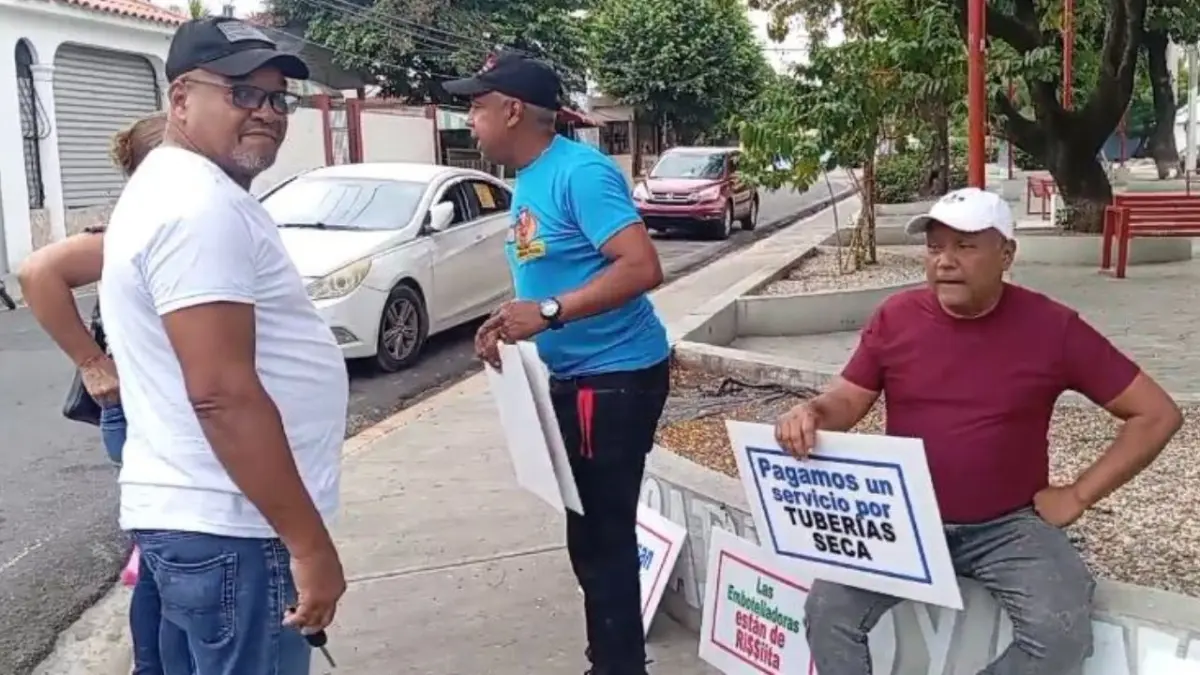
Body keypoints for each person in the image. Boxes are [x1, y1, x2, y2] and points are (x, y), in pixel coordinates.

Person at [775, 187, 1182, 675]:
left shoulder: (1054, 329)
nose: (945, 261)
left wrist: (1078, 494)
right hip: (905, 517)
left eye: (965, 246)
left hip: (1008, 525)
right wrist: (814, 413)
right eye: (934, 247)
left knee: (1061, 635)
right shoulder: (896, 318)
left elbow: (1156, 413)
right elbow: (847, 398)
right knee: (828, 613)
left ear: (1007, 254)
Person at [99, 17, 348, 673]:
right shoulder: (196, 207)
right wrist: (309, 543)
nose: (266, 113)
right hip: (238, 527)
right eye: (242, 93)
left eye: (277, 99)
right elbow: (222, 393)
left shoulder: (178, 188)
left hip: (211, 519)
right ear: (181, 98)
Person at [447, 53, 670, 675]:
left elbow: (642, 267)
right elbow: (556, 269)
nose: (470, 122)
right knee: (588, 534)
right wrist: (510, 316)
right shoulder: (532, 177)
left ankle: (618, 666)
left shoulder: (581, 174)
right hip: (575, 377)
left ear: (513, 110)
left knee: (603, 539)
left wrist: (546, 312)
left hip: (615, 377)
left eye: (477, 105)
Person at [18, 112, 169, 675]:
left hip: (162, 415)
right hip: (137, 416)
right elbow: (37, 273)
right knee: (163, 558)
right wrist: (92, 363)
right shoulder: (129, 232)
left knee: (166, 557)